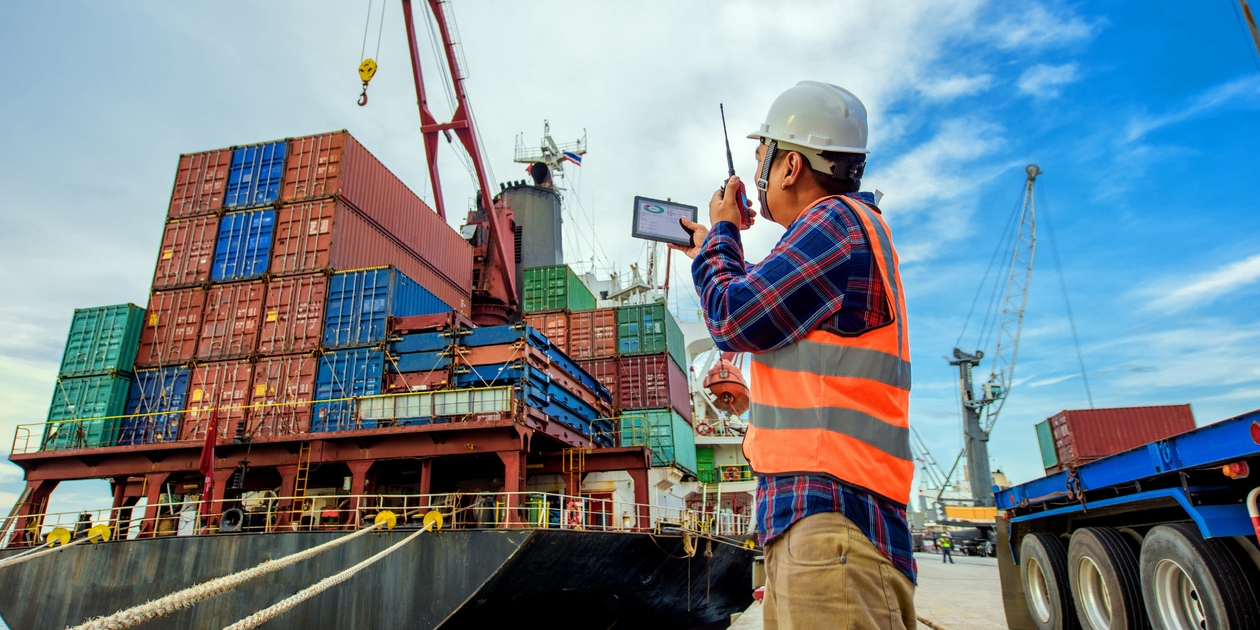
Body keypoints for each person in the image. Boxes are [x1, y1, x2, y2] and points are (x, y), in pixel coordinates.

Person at [670, 81, 916, 629]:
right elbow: (759, 303)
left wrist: (726, 231)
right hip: (822, 519)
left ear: (791, 167)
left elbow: (733, 317)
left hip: (833, 521)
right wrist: (708, 246)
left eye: (762, 157)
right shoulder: (843, 233)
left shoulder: (835, 224)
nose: (755, 177)